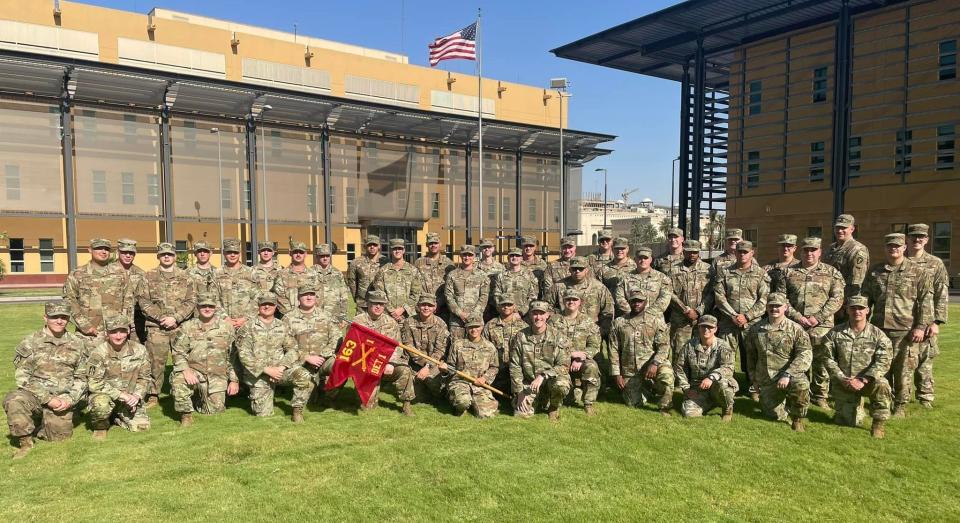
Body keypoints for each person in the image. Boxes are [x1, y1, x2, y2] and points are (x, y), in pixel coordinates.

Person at [3, 301, 87, 459]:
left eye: (63, 317)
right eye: (54, 317)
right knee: (14, 399)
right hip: (35, 396)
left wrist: (69, 399)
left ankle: (41, 423)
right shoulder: (30, 342)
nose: (59, 321)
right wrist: (48, 399)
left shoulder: (78, 344)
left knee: (59, 438)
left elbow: (82, 377)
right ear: (45, 317)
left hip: (63, 398)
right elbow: (23, 378)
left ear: (68, 319)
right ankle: (25, 442)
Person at [862, 233, 932, 417]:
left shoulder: (918, 272)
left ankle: (901, 405)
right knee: (881, 368)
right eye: (890, 246)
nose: (893, 249)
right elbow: (865, 298)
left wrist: (920, 326)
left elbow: (925, 301)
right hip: (879, 329)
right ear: (885, 248)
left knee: (903, 371)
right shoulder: (875, 271)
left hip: (905, 330)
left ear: (904, 248)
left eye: (897, 246)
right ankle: (882, 402)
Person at [781, 237, 844, 408]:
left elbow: (837, 298)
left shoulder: (831, 272)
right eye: (806, 250)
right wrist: (797, 317)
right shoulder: (788, 272)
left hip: (821, 326)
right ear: (801, 251)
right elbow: (782, 299)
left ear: (820, 252)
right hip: (795, 324)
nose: (809, 253)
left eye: (813, 250)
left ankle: (820, 396)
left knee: (821, 362)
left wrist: (818, 317)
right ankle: (796, 393)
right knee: (794, 358)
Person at [821, 296, 893, 438]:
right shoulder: (835, 333)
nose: (857, 311)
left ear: (867, 310)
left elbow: (884, 360)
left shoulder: (878, 335)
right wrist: (842, 378)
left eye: (860, 308)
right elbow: (827, 358)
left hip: (868, 382)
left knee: (883, 385)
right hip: (844, 382)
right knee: (846, 422)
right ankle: (856, 408)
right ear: (847, 310)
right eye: (853, 308)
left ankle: (878, 424)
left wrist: (863, 379)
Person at [136, 242, 196, 408]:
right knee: (155, 363)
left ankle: (188, 392)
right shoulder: (148, 277)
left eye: (169, 254)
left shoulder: (186, 277)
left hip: (180, 326)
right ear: (158, 257)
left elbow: (191, 301)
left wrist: (176, 318)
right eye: (163, 254)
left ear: (175, 256)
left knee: (185, 360)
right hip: (157, 327)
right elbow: (143, 301)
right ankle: (153, 394)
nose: (167, 257)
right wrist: (163, 318)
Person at [237, 292, 313, 422]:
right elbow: (244, 354)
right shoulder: (247, 327)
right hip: (259, 374)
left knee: (304, 377)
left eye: (270, 304)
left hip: (280, 371)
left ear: (276, 306)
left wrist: (281, 367)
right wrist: (267, 370)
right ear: (259, 306)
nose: (267, 307)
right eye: (264, 304)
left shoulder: (282, 326)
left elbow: (293, 349)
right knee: (263, 415)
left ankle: (297, 411)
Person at [170, 292, 240, 427]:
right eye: (203, 306)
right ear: (197, 307)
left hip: (216, 376)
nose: (207, 309)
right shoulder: (187, 327)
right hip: (194, 372)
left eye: (210, 306)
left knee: (214, 411)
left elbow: (233, 356)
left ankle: (199, 397)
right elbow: (178, 351)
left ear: (215, 308)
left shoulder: (227, 328)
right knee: (178, 381)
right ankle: (186, 415)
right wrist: (185, 370)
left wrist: (234, 380)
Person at [744, 293, 812, 431]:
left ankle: (797, 418)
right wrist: (754, 380)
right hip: (767, 378)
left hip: (790, 376)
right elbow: (751, 357)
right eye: (771, 306)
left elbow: (805, 354)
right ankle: (783, 405)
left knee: (801, 385)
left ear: (785, 307)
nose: (774, 309)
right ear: (766, 308)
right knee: (773, 416)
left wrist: (788, 374)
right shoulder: (756, 329)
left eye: (778, 306)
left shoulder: (796, 329)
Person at [712, 240, 769, 397]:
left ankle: (754, 388)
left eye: (746, 252)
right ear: (735, 253)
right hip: (728, 323)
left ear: (752, 253)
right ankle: (727, 388)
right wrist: (733, 316)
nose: (742, 254)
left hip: (752, 324)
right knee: (726, 357)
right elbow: (719, 297)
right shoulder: (725, 272)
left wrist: (747, 316)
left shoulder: (760, 274)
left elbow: (763, 300)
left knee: (752, 358)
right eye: (740, 252)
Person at [85, 315, 152, 439]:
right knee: (101, 406)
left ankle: (116, 417)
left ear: (128, 331)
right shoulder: (98, 353)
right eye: (114, 332)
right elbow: (94, 383)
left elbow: (145, 378)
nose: (118, 336)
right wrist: (121, 395)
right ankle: (101, 426)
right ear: (107, 333)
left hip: (130, 398)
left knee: (141, 426)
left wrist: (136, 396)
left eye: (122, 331)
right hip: (106, 396)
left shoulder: (140, 350)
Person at [608, 290, 673, 415]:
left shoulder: (656, 321)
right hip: (630, 369)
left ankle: (664, 407)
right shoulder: (618, 323)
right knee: (633, 403)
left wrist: (655, 363)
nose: (636, 303)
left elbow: (664, 347)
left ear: (645, 302)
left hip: (652, 365)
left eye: (640, 301)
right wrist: (616, 373)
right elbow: (613, 349)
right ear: (629, 302)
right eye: (633, 301)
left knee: (666, 376)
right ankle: (647, 389)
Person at [905, 223, 948, 408]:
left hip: (927, 319)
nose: (917, 239)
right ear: (907, 239)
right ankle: (900, 396)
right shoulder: (899, 259)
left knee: (924, 361)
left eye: (921, 237)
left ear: (927, 240)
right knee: (903, 361)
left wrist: (937, 321)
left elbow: (941, 293)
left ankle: (925, 397)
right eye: (913, 236)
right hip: (903, 319)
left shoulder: (935, 263)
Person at [62, 238, 134, 346]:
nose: (103, 252)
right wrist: (84, 325)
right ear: (90, 250)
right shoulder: (77, 274)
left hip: (116, 332)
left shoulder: (120, 273)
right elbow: (69, 301)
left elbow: (128, 300)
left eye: (106, 249)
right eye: (99, 248)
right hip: (89, 334)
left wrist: (125, 323)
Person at [353, 290, 414, 415]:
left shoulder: (391, 323)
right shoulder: (357, 322)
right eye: (374, 303)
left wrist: (391, 362)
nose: (378, 307)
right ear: (368, 304)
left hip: (386, 363)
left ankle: (406, 405)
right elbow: (352, 346)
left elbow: (397, 346)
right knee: (368, 407)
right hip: (366, 365)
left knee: (405, 370)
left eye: (381, 304)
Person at [282, 284, 344, 407]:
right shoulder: (288, 318)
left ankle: (328, 397)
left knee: (341, 366)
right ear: (298, 297)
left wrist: (322, 356)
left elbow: (337, 338)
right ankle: (314, 389)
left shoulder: (327, 316)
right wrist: (306, 357)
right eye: (305, 295)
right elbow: (286, 343)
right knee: (309, 400)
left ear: (316, 298)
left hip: (323, 360)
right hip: (301, 363)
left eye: (311, 294)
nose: (309, 297)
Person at [509, 301, 572, 421]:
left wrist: (543, 375)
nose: (538, 317)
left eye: (541, 313)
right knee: (521, 414)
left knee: (561, 384)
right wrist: (519, 392)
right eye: (535, 313)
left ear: (547, 315)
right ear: (530, 315)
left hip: (551, 381)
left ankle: (553, 407)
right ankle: (539, 400)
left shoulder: (558, 336)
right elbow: (514, 365)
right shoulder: (520, 336)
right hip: (529, 383)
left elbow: (564, 365)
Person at [549, 289, 603, 416]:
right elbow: (549, 343)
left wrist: (582, 358)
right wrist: (569, 355)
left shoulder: (588, 321)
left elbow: (595, 345)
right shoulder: (554, 320)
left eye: (574, 299)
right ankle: (553, 405)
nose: (571, 302)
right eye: (568, 299)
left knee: (592, 366)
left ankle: (588, 404)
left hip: (581, 361)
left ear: (580, 302)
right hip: (558, 360)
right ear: (563, 301)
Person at [674, 315, 737, 421]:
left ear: (716, 329)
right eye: (703, 326)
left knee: (724, 384)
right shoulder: (689, 345)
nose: (706, 329)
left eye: (710, 327)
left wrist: (712, 377)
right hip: (697, 388)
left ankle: (727, 408)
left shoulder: (723, 346)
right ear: (698, 327)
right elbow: (679, 368)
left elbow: (728, 368)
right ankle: (711, 403)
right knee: (689, 413)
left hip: (716, 385)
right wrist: (686, 388)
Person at [441, 317, 500, 418]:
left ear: (481, 327)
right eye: (470, 327)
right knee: (462, 402)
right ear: (466, 329)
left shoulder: (489, 347)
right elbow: (451, 367)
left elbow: (494, 367)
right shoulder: (458, 345)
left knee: (486, 415)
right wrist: (444, 369)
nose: (474, 330)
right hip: (460, 382)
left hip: (479, 385)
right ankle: (460, 406)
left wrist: (484, 378)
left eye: (476, 327)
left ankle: (475, 403)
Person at [546, 256, 615, 335]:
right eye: (574, 269)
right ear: (570, 270)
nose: (577, 271)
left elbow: (608, 311)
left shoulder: (599, 287)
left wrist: (602, 331)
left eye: (580, 268)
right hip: (562, 333)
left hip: (590, 332)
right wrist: (556, 322)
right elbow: (546, 307)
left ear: (586, 270)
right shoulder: (559, 286)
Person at [401, 294, 450, 404]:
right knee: (415, 397)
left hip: (434, 364)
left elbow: (439, 351)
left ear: (435, 307)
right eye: (423, 305)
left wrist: (427, 366)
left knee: (432, 382)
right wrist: (421, 365)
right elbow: (407, 345)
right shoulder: (409, 322)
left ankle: (439, 394)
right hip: (413, 363)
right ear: (418, 306)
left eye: (429, 305)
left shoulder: (441, 325)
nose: (426, 308)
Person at [667, 240, 713, 357]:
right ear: (683, 251)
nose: (692, 255)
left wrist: (698, 311)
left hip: (702, 319)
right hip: (680, 319)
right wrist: (685, 310)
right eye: (689, 252)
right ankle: (679, 375)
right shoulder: (673, 270)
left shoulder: (708, 269)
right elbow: (669, 292)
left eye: (695, 252)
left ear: (699, 252)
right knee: (679, 352)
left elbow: (712, 293)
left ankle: (698, 376)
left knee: (701, 352)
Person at [482, 294, 527, 394]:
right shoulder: (490, 325)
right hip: (496, 370)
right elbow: (483, 348)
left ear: (514, 306)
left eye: (509, 304)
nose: (506, 307)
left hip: (517, 370)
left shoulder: (523, 326)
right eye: (503, 305)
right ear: (498, 307)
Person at [613, 245, 673, 317]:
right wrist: (633, 313)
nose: (643, 260)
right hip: (631, 320)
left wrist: (649, 314)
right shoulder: (625, 278)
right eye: (640, 258)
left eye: (645, 258)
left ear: (651, 259)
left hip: (654, 320)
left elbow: (665, 298)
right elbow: (619, 298)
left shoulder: (662, 278)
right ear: (635, 259)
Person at [371, 239, 422, 324]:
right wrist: (392, 311)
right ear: (391, 251)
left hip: (408, 316)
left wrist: (402, 309)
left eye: (400, 248)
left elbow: (416, 293)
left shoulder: (413, 270)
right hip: (387, 316)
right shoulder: (383, 271)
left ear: (404, 250)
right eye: (394, 249)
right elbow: (379, 293)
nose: (397, 251)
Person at [444, 245, 490, 339]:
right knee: (456, 347)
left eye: (470, 255)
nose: (467, 257)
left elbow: (484, 297)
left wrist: (474, 314)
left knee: (476, 349)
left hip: (476, 320)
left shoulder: (482, 276)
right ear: (461, 256)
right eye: (464, 255)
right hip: (457, 322)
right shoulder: (452, 275)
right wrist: (460, 313)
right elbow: (448, 296)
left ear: (474, 257)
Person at [214, 238, 260, 330]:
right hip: (223, 324)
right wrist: (225, 318)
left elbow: (257, 298)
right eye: (229, 252)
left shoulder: (250, 273)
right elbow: (214, 299)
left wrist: (245, 318)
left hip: (247, 324)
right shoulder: (216, 273)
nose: (232, 255)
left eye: (235, 252)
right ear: (223, 253)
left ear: (239, 253)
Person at [823, 214, 870, 301]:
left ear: (852, 229)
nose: (840, 231)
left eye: (843, 228)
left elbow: (856, 282)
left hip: (845, 300)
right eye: (837, 228)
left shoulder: (858, 250)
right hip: (829, 299)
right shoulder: (831, 248)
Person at [273, 240, 318, 316]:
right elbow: (279, 297)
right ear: (290, 253)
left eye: (301, 252)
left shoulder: (313, 274)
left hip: (310, 317)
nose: (298, 254)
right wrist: (292, 315)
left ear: (305, 254)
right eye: (295, 252)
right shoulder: (281, 274)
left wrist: (309, 312)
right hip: (288, 317)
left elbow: (318, 295)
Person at [415, 232, 455, 316]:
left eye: (435, 243)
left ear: (440, 244)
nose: (433, 245)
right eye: (430, 243)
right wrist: (428, 304)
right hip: (424, 307)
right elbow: (416, 285)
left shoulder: (448, 264)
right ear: (426, 245)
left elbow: (451, 287)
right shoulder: (419, 263)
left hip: (443, 308)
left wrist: (439, 303)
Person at [311, 244, 350, 327]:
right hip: (314, 318)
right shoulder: (309, 273)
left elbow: (344, 296)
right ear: (317, 257)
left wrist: (343, 316)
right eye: (322, 256)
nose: (325, 258)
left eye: (327, 256)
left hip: (334, 317)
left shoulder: (337, 274)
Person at [493, 248, 539, 317]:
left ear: (521, 258)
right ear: (508, 258)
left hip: (525, 315)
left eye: (517, 255)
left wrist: (521, 312)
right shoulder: (501, 276)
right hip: (506, 314)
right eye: (512, 255)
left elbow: (533, 295)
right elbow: (497, 295)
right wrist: (505, 311)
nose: (514, 257)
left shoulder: (529, 275)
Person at [116, 238, 147, 339]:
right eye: (124, 252)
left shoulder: (141, 274)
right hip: (113, 321)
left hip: (136, 322)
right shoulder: (107, 272)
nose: (128, 255)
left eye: (131, 253)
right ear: (118, 252)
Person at [347, 234, 384, 311]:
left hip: (380, 303)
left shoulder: (385, 262)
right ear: (365, 246)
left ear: (379, 246)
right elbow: (352, 282)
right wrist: (357, 298)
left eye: (375, 245)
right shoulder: (356, 262)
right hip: (363, 303)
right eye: (369, 245)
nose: (372, 247)